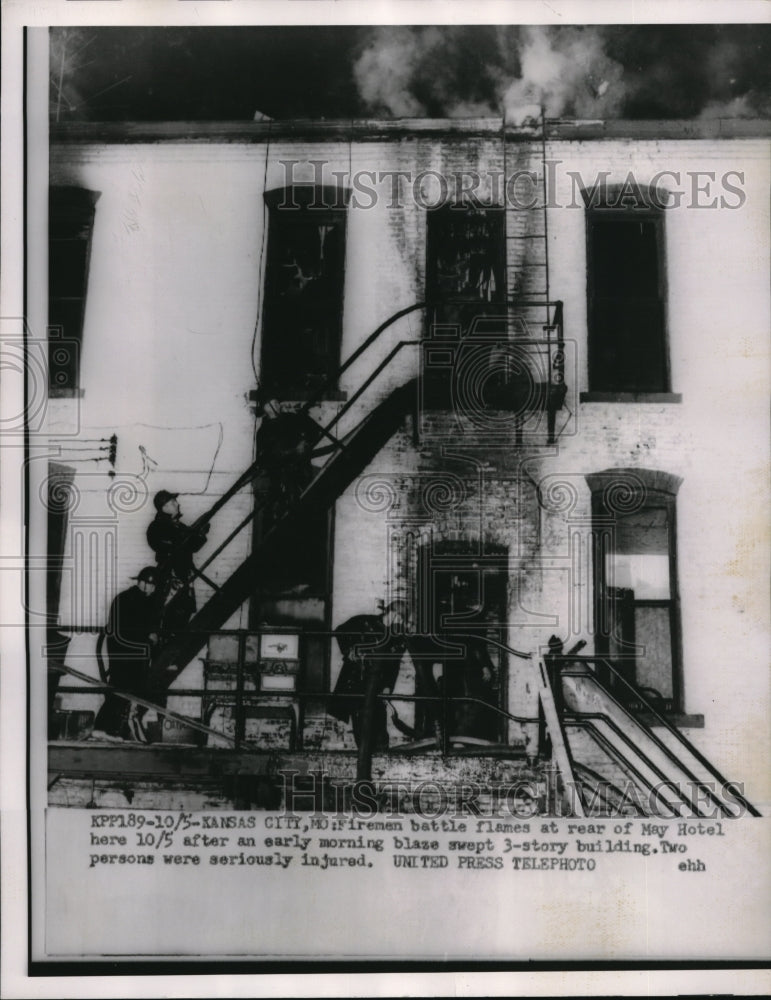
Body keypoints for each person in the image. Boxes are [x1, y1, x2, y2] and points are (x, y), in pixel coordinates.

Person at [330, 599, 410, 752]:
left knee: (380, 729)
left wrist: (388, 687)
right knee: (361, 726)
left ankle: (379, 760)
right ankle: (365, 760)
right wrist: (350, 650)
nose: (401, 622)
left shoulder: (397, 638)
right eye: (401, 618)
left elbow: (394, 665)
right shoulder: (363, 622)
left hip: (378, 688)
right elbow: (340, 631)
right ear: (393, 614)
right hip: (357, 683)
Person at [93, 567, 160, 742]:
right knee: (121, 687)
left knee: (121, 687)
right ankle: (105, 728)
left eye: (153, 586)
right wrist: (148, 637)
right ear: (141, 583)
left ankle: (106, 728)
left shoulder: (131, 599)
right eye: (149, 585)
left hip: (124, 649)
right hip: (125, 649)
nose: (151, 589)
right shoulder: (132, 600)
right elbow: (129, 627)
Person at [254, 397, 325, 527]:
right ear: (266, 407)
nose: (279, 404)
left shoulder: (291, 419)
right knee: (285, 510)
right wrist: (294, 451)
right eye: (274, 402)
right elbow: (267, 457)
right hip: (280, 477)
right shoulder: (263, 432)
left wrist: (306, 442)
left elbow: (314, 429)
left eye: (277, 401)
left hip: (301, 470)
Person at [146, 490, 209, 632]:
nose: (177, 504)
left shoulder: (179, 526)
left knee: (183, 611)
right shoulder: (157, 527)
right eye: (173, 502)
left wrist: (201, 535)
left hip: (183, 574)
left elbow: (193, 546)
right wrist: (186, 538)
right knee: (169, 610)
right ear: (164, 507)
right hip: (170, 576)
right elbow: (170, 545)